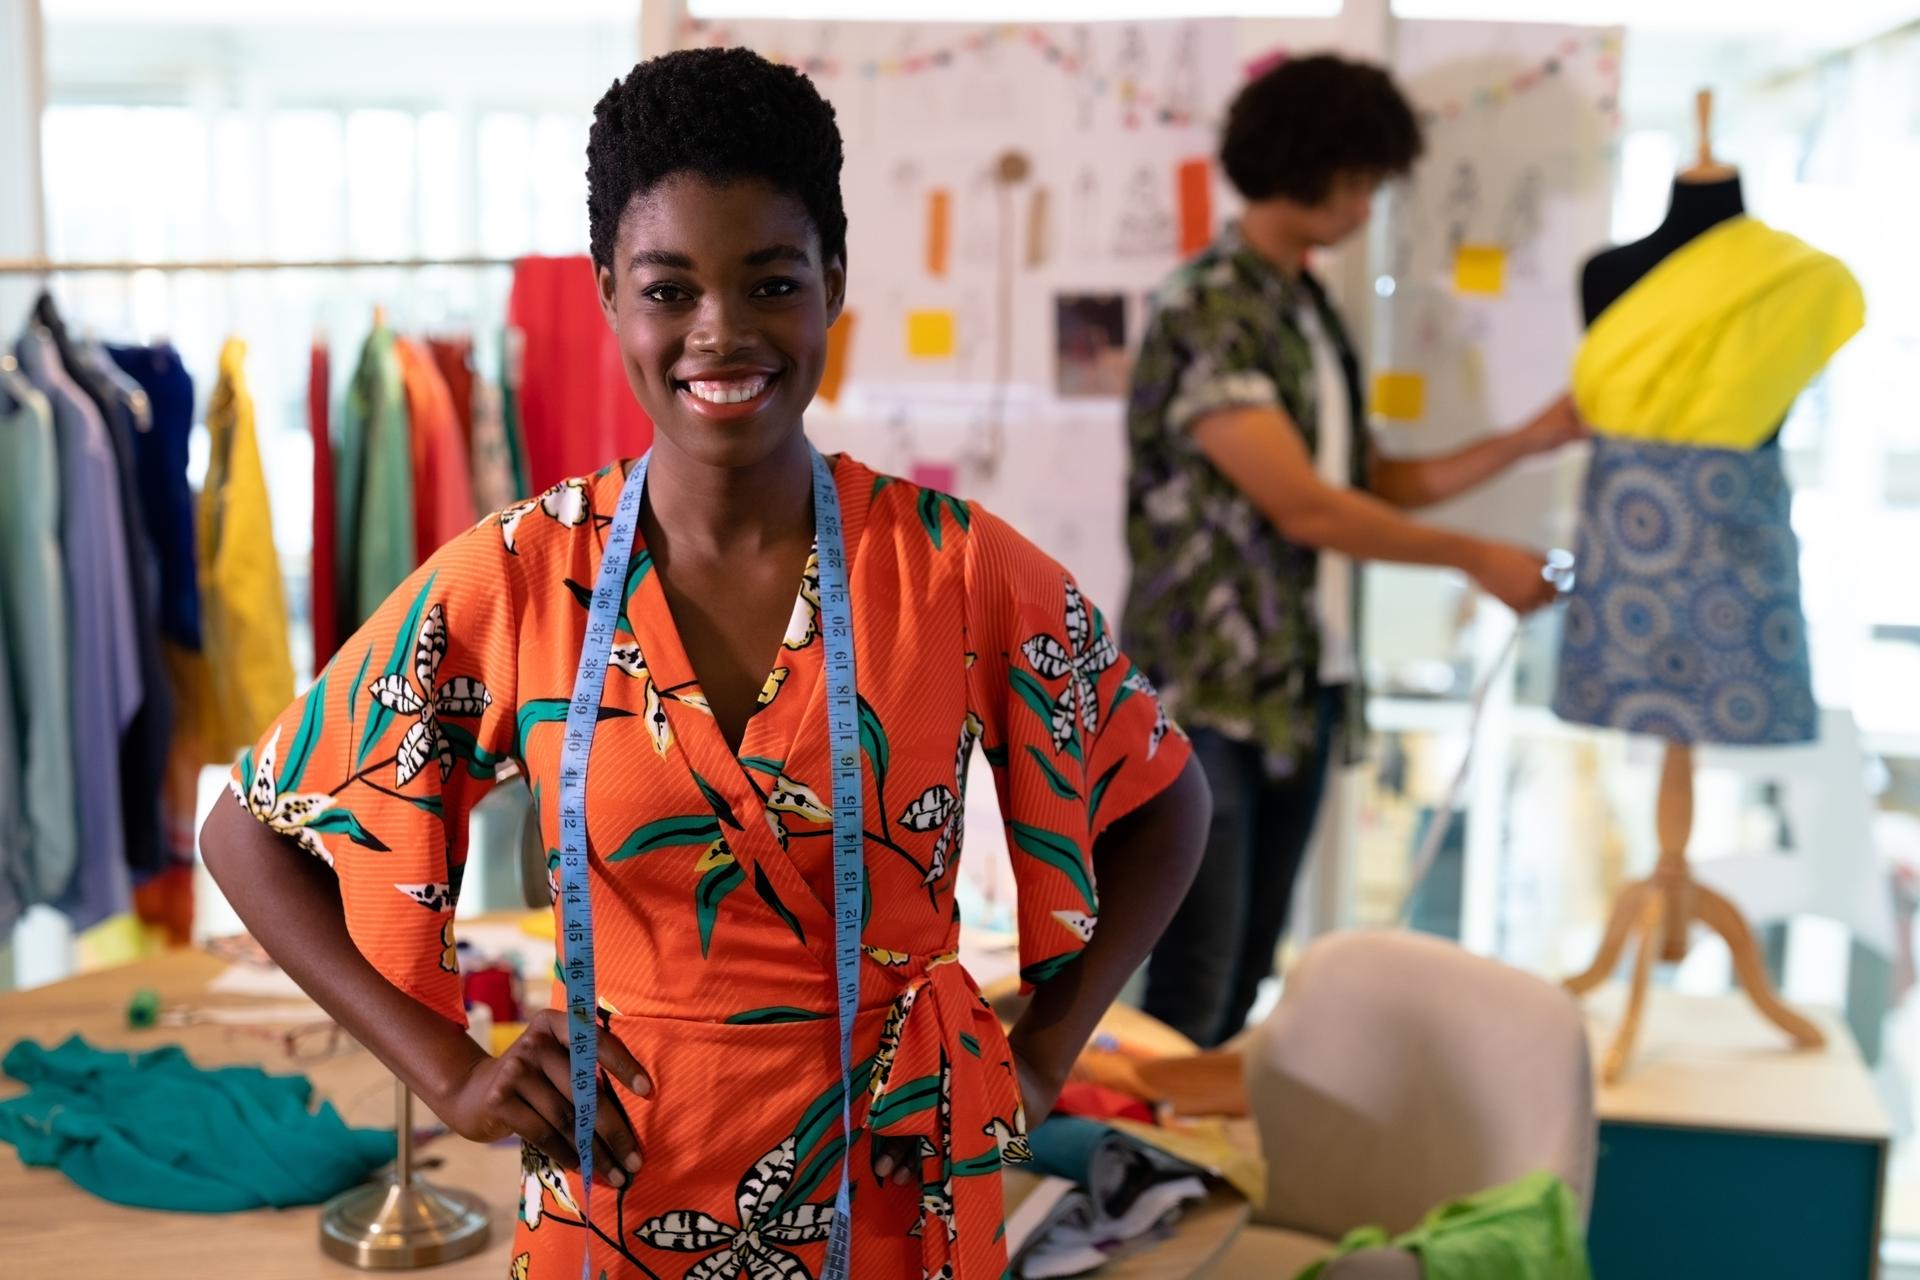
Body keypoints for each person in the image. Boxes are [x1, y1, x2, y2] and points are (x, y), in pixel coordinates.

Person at [201, 48, 1210, 1280]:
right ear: (607, 294)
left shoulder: (955, 571)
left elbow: (1164, 793)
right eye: (668, 288)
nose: (719, 332)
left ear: (834, 280)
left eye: (770, 281)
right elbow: (249, 830)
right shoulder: (521, 576)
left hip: (893, 1199)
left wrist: (1044, 1051)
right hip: (621, 1202)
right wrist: (451, 1071)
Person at [1123, 54, 1586, 1049]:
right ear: (1312, 162)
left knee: (1242, 975)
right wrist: (1476, 558)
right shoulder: (1213, 302)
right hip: (1205, 691)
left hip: (1297, 684)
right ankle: (1133, 1195)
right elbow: (1305, 508)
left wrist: (1527, 439)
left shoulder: (1305, 308)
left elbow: (1366, 483)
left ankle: (1185, 1187)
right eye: (1364, 174)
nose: (1370, 199)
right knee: (1191, 990)